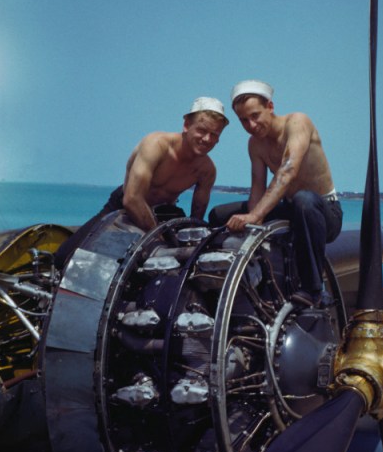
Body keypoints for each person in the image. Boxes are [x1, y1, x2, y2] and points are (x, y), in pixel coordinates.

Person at [208, 80, 342, 306]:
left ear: (270, 106)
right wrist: (251, 224)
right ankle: (222, 280)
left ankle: (313, 290)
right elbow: (257, 187)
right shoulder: (255, 144)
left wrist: (255, 216)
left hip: (322, 210)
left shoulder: (298, 122)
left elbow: (288, 170)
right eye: (243, 120)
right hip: (290, 208)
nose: (251, 125)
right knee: (218, 215)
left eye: (255, 115)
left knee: (303, 199)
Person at [55, 97, 229, 269]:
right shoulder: (156, 145)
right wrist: (157, 236)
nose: (207, 139)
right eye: (201, 130)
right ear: (186, 125)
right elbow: (132, 199)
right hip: (122, 207)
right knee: (64, 258)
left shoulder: (207, 170)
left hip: (164, 215)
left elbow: (196, 219)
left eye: (214, 134)